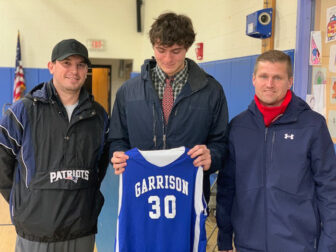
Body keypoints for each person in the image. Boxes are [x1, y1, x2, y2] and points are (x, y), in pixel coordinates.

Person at [216, 50, 336, 252]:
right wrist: (225, 236)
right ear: (254, 79)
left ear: (290, 81)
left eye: (277, 77)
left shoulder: (313, 126)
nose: (269, 84)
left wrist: (329, 244)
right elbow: (227, 187)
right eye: (264, 76)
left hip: (299, 245)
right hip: (248, 244)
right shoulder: (238, 127)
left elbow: (329, 190)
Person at [0, 39, 110, 252]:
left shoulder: (99, 116)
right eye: (66, 63)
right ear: (51, 66)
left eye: (80, 65)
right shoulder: (23, 111)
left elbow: (101, 165)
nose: (74, 70)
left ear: (87, 70)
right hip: (36, 231)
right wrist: (23, 203)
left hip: (82, 229)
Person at [108, 12, 229, 203]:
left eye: (176, 51)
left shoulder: (211, 91)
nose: (167, 59)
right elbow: (117, 139)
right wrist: (117, 154)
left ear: (187, 47)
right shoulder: (127, 92)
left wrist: (212, 157)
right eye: (161, 50)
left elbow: (221, 143)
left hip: (190, 196)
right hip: (141, 193)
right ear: (153, 46)